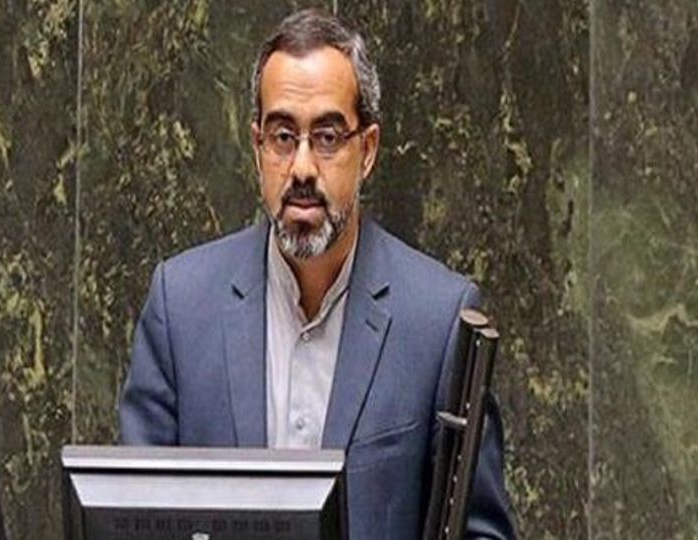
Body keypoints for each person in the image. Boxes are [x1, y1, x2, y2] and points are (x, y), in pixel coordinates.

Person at [118, 8, 516, 539]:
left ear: (367, 150)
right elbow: (131, 520)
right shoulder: (181, 307)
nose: (302, 167)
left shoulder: (437, 320)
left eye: (327, 137)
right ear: (257, 146)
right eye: (283, 136)